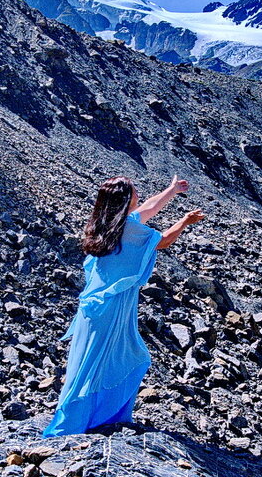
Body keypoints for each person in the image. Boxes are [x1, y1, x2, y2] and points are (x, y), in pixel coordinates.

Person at [42, 175, 205, 437]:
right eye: (134, 192)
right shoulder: (128, 229)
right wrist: (185, 221)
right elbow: (161, 240)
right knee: (113, 360)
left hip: (94, 307)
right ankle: (80, 423)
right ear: (126, 199)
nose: (139, 195)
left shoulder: (107, 222)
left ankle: (89, 419)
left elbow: (148, 209)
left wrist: (171, 190)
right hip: (112, 307)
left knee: (91, 362)